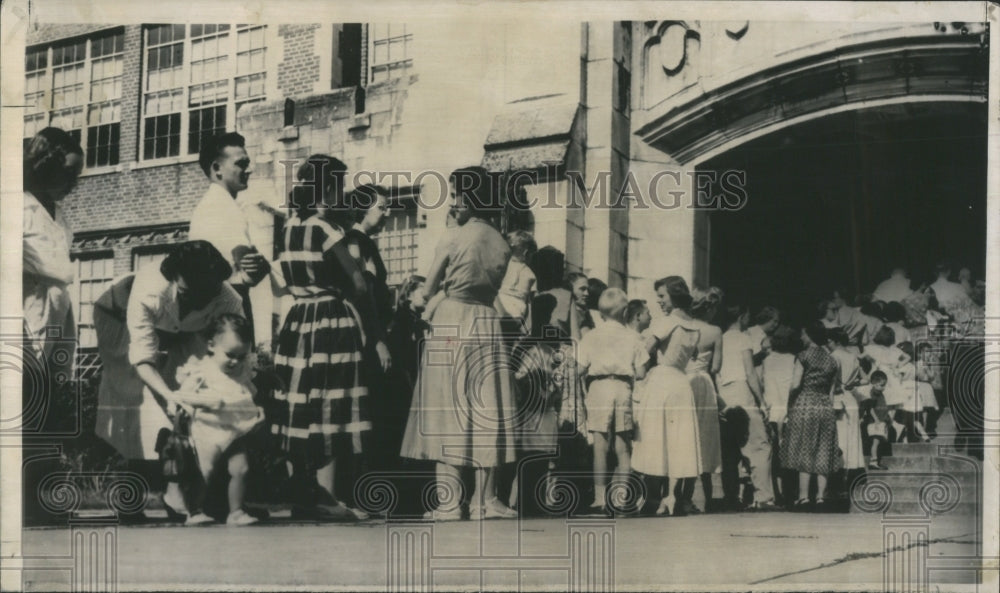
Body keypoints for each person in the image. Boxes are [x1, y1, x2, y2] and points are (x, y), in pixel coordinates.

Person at [93, 240, 245, 518]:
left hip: (183, 331)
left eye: (205, 294)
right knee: (138, 400)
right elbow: (143, 358)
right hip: (116, 313)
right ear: (174, 279)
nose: (195, 301)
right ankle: (131, 498)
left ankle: (193, 495)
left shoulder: (229, 300)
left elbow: (236, 356)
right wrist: (171, 396)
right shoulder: (150, 290)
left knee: (203, 396)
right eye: (187, 292)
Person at [401, 166, 518, 521]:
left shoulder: (453, 237)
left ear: (468, 198)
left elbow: (429, 287)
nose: (453, 203)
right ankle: (487, 500)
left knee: (446, 407)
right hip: (485, 321)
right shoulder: (501, 241)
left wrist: (416, 303)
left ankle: (449, 502)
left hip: (451, 319)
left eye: (456, 196)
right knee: (487, 407)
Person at [272, 156, 384, 522]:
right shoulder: (327, 229)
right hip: (331, 320)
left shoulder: (287, 227)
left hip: (297, 318)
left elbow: (283, 278)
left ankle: (302, 496)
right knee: (332, 406)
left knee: (299, 405)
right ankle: (330, 499)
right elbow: (357, 282)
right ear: (331, 187)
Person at [171, 314, 264, 526]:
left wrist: (254, 411)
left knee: (241, 469)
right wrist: (201, 403)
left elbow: (247, 394)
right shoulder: (201, 370)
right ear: (211, 345)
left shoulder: (241, 370)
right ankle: (194, 511)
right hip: (207, 429)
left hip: (235, 428)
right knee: (206, 470)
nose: (236, 361)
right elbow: (182, 396)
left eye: (242, 356)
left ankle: (236, 511)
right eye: (230, 355)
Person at [189, 132, 271, 341]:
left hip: (209, 306)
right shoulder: (224, 208)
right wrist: (262, 265)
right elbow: (248, 272)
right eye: (241, 164)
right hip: (228, 307)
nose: (248, 170)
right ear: (217, 168)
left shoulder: (209, 205)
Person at [22, 128, 84, 400]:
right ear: (45, 165)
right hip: (29, 306)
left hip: (59, 307)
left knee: (50, 390)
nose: (73, 183)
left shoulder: (58, 213)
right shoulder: (18, 207)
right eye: (68, 173)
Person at [632, 277, 701, 517]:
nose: (659, 301)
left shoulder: (666, 322)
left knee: (655, 438)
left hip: (661, 380)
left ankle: (652, 498)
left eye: (662, 296)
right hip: (681, 383)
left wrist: (638, 370)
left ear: (674, 295)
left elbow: (644, 349)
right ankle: (675, 497)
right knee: (679, 441)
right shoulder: (694, 326)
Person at [576, 288, 648, 515]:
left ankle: (599, 499)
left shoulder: (591, 336)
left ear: (601, 313)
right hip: (622, 387)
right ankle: (622, 498)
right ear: (626, 311)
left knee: (600, 445)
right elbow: (642, 372)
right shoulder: (632, 337)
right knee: (622, 445)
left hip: (598, 386)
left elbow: (578, 368)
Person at [716, 304, 774, 510]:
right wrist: (761, 401)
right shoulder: (743, 338)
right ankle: (763, 497)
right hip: (743, 392)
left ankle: (731, 497)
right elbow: (750, 372)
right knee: (758, 445)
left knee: (729, 451)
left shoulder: (719, 337)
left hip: (724, 394)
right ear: (742, 317)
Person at [780, 322, 843, 510]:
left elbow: (795, 384)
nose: (801, 337)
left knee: (805, 449)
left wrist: (789, 402)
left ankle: (803, 497)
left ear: (810, 335)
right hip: (824, 405)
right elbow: (832, 391)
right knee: (823, 449)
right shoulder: (832, 360)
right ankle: (821, 497)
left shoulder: (803, 356)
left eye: (803, 334)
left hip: (805, 403)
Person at [686, 288, 724, 511]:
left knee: (687, 435)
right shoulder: (715, 331)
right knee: (706, 436)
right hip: (704, 382)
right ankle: (708, 496)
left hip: (684, 380)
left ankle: (687, 494)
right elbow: (717, 366)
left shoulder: (685, 327)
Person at [494, 230, 538, 333]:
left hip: (501, 311)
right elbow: (530, 303)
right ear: (526, 252)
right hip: (511, 314)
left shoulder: (502, 265)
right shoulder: (530, 274)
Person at [857, 371, 892, 469]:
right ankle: (873, 461)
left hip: (880, 421)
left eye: (884, 385)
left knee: (878, 441)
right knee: (876, 441)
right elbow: (870, 408)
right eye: (881, 385)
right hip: (875, 422)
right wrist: (876, 419)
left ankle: (876, 460)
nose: (883, 387)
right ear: (873, 383)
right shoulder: (873, 393)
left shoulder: (880, 393)